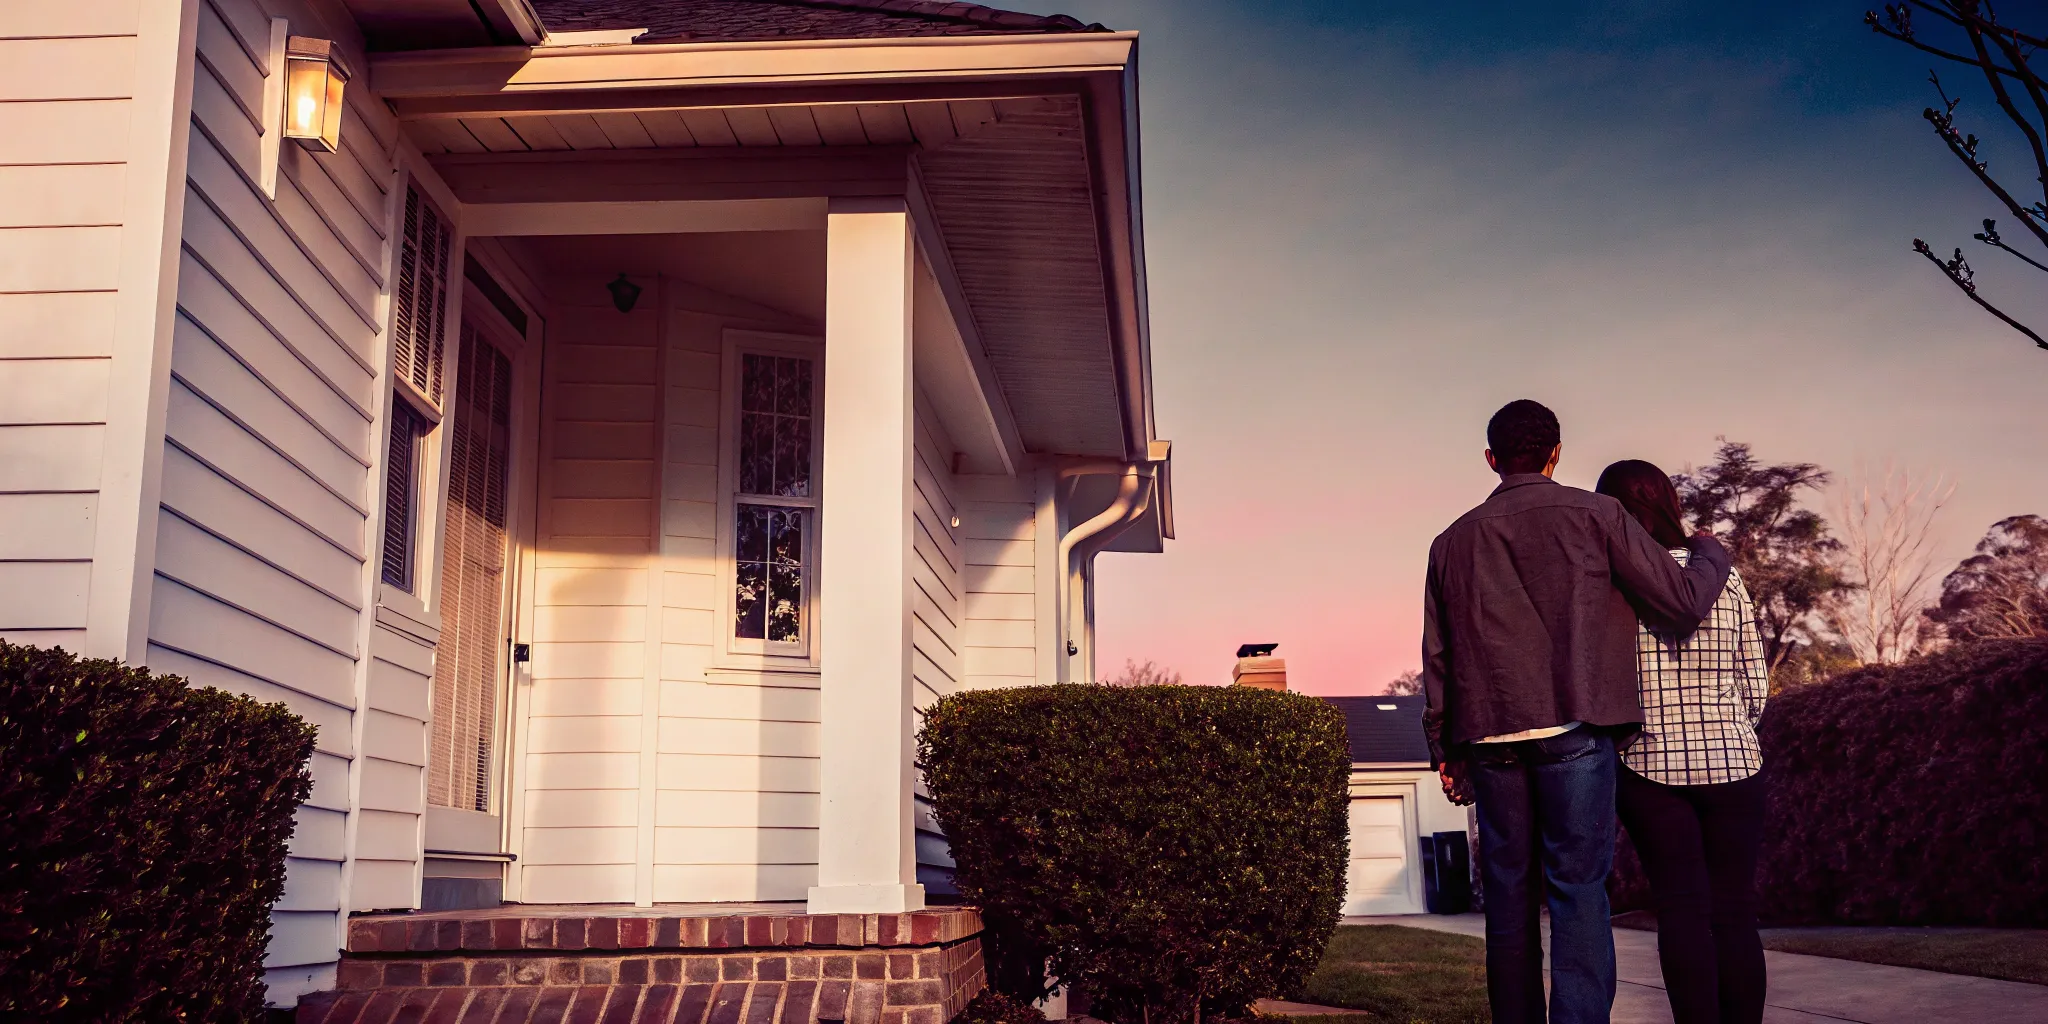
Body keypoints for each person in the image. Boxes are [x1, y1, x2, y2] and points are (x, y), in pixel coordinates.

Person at [1421, 400, 1732, 1024]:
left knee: (1508, 895)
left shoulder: (1450, 541)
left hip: (1489, 735)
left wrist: (1444, 748)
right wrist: (1708, 553)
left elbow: (1438, 653)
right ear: (1556, 453)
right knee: (1577, 890)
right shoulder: (1599, 515)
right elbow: (1681, 603)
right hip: (1575, 727)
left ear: (1491, 459)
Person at [1594, 460, 1771, 1024]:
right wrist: (1730, 728)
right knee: (1736, 911)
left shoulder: (1614, 585)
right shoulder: (1727, 577)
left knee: (1681, 911)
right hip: (1734, 762)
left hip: (1648, 767)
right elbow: (1757, 681)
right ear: (1670, 503)